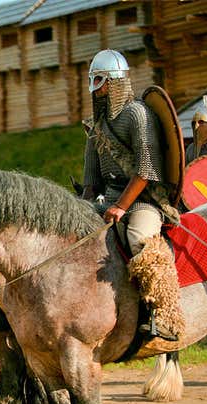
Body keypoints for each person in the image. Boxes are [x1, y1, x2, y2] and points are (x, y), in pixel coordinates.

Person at [81, 49, 183, 341]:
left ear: (114, 81)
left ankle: (162, 315)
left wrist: (122, 206)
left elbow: (146, 170)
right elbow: (91, 178)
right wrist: (83, 204)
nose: (94, 86)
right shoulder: (96, 125)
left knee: (140, 241)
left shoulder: (138, 114)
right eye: (92, 80)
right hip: (109, 197)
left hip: (143, 198)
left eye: (99, 80)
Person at [186, 96, 207, 165]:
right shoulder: (190, 149)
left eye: (201, 122)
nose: (196, 126)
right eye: (194, 123)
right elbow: (187, 172)